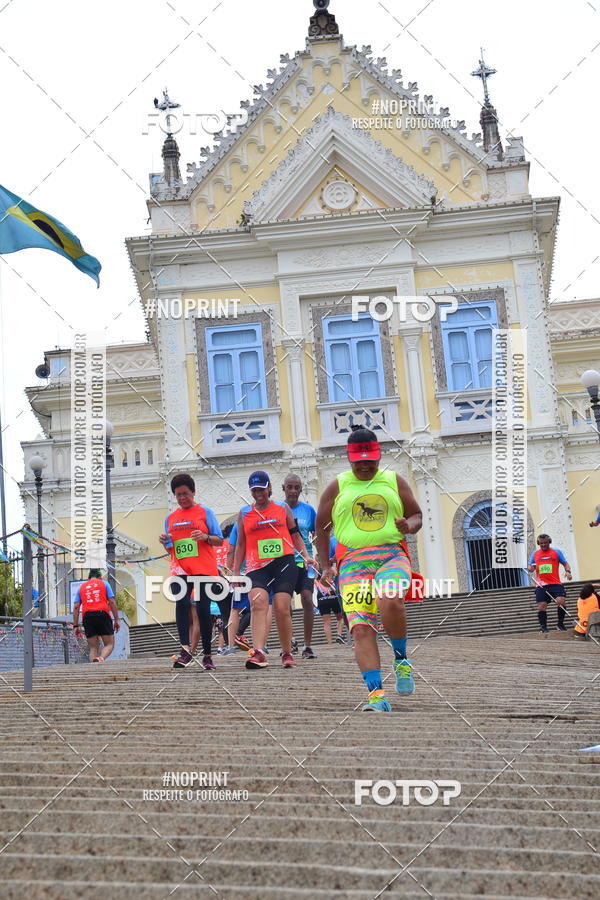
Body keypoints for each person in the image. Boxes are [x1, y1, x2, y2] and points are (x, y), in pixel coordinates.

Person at [315, 427, 423, 712]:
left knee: (390, 600)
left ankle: (400, 659)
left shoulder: (393, 480)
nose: (364, 466)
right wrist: (326, 565)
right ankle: (377, 697)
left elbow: (416, 515)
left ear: (379, 456)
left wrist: (408, 525)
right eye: (358, 462)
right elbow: (321, 527)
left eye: (370, 461)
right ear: (349, 459)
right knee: (361, 628)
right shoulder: (337, 486)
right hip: (352, 562)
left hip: (391, 555)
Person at [233, 470, 315, 669]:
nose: (258, 494)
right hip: (257, 566)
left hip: (284, 563)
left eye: (261, 489)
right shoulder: (244, 513)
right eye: (254, 490)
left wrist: (306, 556)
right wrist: (235, 572)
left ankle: (287, 652)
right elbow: (241, 544)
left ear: (269, 488)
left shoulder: (282, 508)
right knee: (258, 602)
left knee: (281, 607)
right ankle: (259, 652)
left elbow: (295, 535)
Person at [159, 473, 224, 670]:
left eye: (185, 494)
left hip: (203, 568)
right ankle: (185, 651)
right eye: (178, 495)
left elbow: (219, 540)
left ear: (193, 492)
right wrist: (164, 543)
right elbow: (171, 549)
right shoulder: (170, 518)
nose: (182, 498)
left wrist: (205, 537)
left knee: (203, 610)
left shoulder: (205, 512)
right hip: (179, 569)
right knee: (182, 604)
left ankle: (207, 655)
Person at [282, 474, 318, 659]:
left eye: (297, 487)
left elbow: (317, 534)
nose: (293, 491)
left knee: (307, 598)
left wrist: (321, 558)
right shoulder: (278, 509)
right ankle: (290, 639)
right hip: (284, 561)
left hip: (305, 561)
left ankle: (307, 645)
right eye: (290, 487)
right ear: (283, 488)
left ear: (301, 489)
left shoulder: (308, 510)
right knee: (284, 603)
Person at [528, 533, 572, 633]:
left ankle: (560, 624)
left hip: (555, 583)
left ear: (549, 542)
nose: (543, 545)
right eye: (541, 543)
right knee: (542, 605)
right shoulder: (535, 553)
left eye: (545, 543)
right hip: (541, 585)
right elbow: (531, 566)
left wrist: (568, 572)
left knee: (561, 601)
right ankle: (543, 627)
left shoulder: (556, 552)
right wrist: (530, 568)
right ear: (538, 543)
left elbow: (566, 564)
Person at [73, 568, 120, 663]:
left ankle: (93, 667)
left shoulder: (82, 587)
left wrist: (76, 625)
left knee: (93, 648)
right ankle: (100, 659)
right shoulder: (104, 584)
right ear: (100, 577)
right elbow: (112, 601)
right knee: (109, 644)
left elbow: (76, 606)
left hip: (87, 616)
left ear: (89, 577)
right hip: (102, 614)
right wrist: (116, 620)